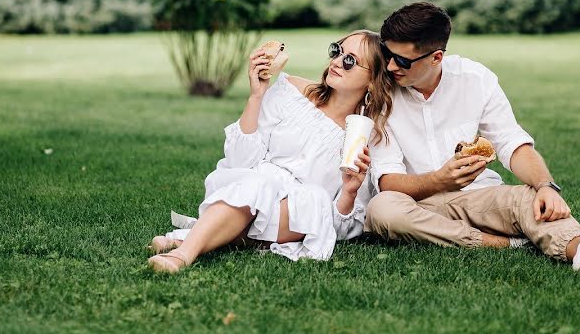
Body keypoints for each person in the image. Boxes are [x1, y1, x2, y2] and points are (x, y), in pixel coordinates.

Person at [366, 2, 580, 271]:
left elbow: (511, 142)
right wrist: (440, 180)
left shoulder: (475, 79)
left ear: (436, 57)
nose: (390, 66)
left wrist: (545, 186)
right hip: (416, 205)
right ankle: (501, 242)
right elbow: (387, 181)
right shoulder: (381, 93)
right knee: (382, 210)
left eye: (402, 61)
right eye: (387, 55)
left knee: (529, 198)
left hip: (479, 197)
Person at [147, 30, 395, 273]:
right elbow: (239, 161)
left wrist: (350, 191)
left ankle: (189, 241)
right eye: (337, 51)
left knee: (310, 201)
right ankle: (183, 254)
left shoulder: (366, 136)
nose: (338, 61)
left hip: (298, 211)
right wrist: (257, 96)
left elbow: (340, 227)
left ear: (372, 80)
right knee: (256, 185)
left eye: (350, 60)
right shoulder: (291, 92)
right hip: (249, 190)